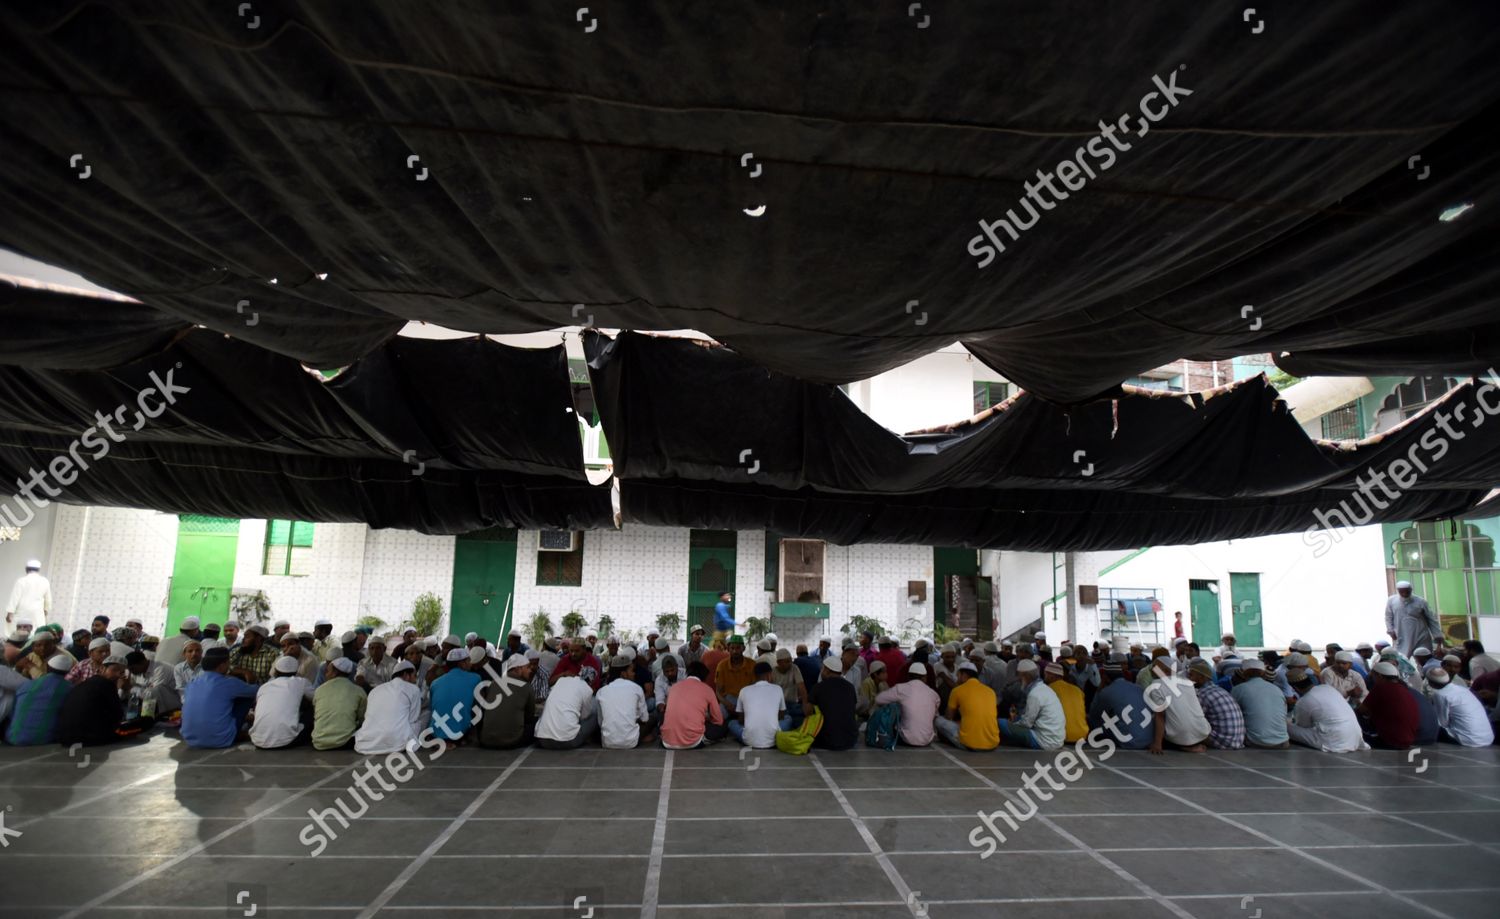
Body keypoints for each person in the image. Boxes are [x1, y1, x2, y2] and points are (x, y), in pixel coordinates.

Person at [180, 647, 259, 747]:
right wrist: (249, 677)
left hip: (190, 739)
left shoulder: (192, 683)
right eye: (228, 663)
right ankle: (236, 732)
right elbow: (257, 690)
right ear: (222, 666)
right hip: (221, 739)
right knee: (246, 697)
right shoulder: (228, 683)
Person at [55, 654, 128, 747]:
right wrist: (119, 688)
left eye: (121, 672)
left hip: (65, 739)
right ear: (102, 668)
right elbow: (118, 714)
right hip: (88, 739)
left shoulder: (86, 683)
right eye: (114, 670)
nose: (118, 674)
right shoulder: (106, 685)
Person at [354, 660, 424, 754]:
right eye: (414, 676)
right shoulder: (413, 689)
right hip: (397, 741)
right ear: (406, 675)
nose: (415, 680)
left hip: (368, 740)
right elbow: (413, 719)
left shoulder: (375, 690)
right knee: (425, 714)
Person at [1145, 657, 1210, 754]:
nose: (1151, 669)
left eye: (1154, 667)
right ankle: (1192, 743)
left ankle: (1185, 746)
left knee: (1152, 716)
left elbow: (1160, 716)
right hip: (1204, 731)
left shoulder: (1156, 685)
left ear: (1166, 670)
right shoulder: (1187, 681)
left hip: (1182, 735)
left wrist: (1157, 744)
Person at [5, 654, 72, 745]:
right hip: (44, 739)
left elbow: (13, 712)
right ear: (68, 672)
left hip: (13, 737)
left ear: (47, 667)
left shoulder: (26, 685)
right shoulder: (69, 688)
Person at [250, 656, 315, 749]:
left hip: (258, 741)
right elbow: (317, 698)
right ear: (296, 672)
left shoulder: (264, 686)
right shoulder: (301, 682)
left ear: (275, 671)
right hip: (287, 741)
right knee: (312, 709)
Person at [936, 660, 1001, 751]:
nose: (957, 678)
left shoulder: (957, 690)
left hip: (969, 744)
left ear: (964, 675)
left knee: (939, 720)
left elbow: (948, 716)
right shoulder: (990, 692)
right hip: (993, 744)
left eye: (958, 675)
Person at [873, 661, 940, 746]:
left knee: (893, 705)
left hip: (905, 739)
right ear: (925, 677)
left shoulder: (901, 689)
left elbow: (878, 699)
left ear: (908, 676)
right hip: (927, 740)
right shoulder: (934, 694)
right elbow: (935, 714)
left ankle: (883, 736)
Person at [1288, 682, 1369, 752]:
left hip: (1334, 741)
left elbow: (1303, 725)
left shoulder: (1304, 700)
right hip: (1355, 737)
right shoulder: (1327, 688)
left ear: (1295, 688)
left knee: (1285, 727)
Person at [996, 660, 1059, 750]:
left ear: (1026, 676)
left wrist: (1011, 725)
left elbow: (1027, 724)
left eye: (1020, 677)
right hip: (1055, 738)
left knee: (1000, 723)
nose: (1019, 680)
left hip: (1044, 741)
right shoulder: (1044, 688)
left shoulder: (1034, 694)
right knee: (1016, 719)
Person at [1356, 660, 1420, 750]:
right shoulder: (1404, 689)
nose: (1373, 679)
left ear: (1380, 676)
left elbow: (1362, 710)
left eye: (1373, 676)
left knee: (1354, 715)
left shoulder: (1380, 687)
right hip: (1408, 741)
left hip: (1389, 741)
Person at [478, 653, 537, 749]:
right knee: (537, 723)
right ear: (518, 669)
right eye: (527, 667)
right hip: (511, 741)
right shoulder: (527, 687)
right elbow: (529, 717)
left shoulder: (493, 683)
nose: (530, 670)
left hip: (486, 740)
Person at [1088, 663, 1152, 750]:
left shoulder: (1106, 692)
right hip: (1148, 739)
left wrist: (1099, 689)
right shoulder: (1139, 688)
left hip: (1128, 742)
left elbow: (1094, 715)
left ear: (1105, 677)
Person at [430, 647, 485, 747]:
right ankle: (468, 737)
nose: (471, 663)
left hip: (436, 732)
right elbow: (480, 704)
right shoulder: (475, 678)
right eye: (468, 660)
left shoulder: (435, 683)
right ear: (462, 663)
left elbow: (433, 707)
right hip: (460, 733)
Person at [1186, 659, 1244, 750]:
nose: (1188, 678)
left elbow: (1194, 720)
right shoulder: (1220, 690)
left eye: (1191, 675)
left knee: (1184, 724)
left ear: (1201, 677)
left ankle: (1187, 747)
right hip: (1238, 740)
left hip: (1223, 741)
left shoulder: (1202, 694)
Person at [1426, 668, 1494, 746]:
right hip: (1487, 738)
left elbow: (1442, 723)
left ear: (1430, 683)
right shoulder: (1463, 689)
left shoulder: (1441, 694)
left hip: (1470, 739)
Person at [1230, 660, 1289, 748]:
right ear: (1263, 674)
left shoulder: (1239, 689)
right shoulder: (1276, 689)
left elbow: (1230, 714)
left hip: (1255, 741)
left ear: (1243, 673)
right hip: (1283, 742)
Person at [312, 657, 367, 750]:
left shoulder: (319, 690)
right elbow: (363, 719)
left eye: (328, 671)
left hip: (319, 742)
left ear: (335, 673)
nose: (325, 674)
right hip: (345, 742)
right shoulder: (358, 691)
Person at [726, 661, 785, 748]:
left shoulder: (744, 690)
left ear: (754, 676)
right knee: (788, 718)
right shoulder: (778, 689)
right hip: (774, 740)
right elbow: (781, 716)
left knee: (732, 723)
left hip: (749, 740)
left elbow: (741, 720)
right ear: (769, 675)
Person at [535, 674, 598, 750]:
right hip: (568, 741)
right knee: (595, 709)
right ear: (591, 681)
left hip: (543, 740)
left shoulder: (561, 681)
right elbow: (585, 716)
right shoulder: (587, 688)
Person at [809, 656, 859, 750]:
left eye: (823, 669)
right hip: (850, 740)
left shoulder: (818, 687)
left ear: (827, 671)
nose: (822, 672)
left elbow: (808, 712)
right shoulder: (850, 687)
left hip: (826, 741)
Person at [1386, 580, 1441, 658]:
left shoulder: (1421, 601)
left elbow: (1431, 619)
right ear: (1398, 591)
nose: (1404, 594)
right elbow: (1388, 617)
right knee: (1402, 659)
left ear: (1411, 590)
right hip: (1401, 635)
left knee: (1423, 658)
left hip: (1420, 636)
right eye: (1402, 592)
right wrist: (1390, 630)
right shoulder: (1392, 601)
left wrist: (1437, 636)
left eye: (1407, 592)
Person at [1042, 662, 1089, 743]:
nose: (1044, 677)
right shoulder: (1078, 690)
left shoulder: (1047, 690)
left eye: (1045, 674)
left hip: (1060, 736)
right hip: (1082, 735)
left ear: (1051, 675)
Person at [126, 649, 180, 714]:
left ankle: (149, 718)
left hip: (176, 702)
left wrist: (130, 688)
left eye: (132, 669)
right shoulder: (140, 671)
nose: (131, 672)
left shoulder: (160, 669)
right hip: (163, 703)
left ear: (143, 663)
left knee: (152, 691)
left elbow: (150, 695)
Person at [714, 635, 757, 716]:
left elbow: (756, 689)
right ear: (728, 649)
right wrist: (728, 704)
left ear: (743, 649)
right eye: (732, 648)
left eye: (738, 648)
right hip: (728, 700)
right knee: (718, 715)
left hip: (747, 700)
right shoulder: (722, 665)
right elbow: (718, 692)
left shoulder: (752, 664)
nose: (735, 651)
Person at [4, 559, 51, 627]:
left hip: (22, 612)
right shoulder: (45, 581)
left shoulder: (21, 581)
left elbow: (14, 598)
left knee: (19, 632)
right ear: (38, 570)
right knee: (35, 633)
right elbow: (48, 600)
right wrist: (45, 612)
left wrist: (9, 613)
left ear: (26, 569)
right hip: (37, 613)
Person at [771, 648, 809, 726]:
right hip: (778, 706)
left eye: (790, 660)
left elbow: (802, 687)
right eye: (787, 661)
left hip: (792, 705)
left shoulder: (794, 668)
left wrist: (805, 704)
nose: (790, 663)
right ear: (778, 662)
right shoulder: (773, 672)